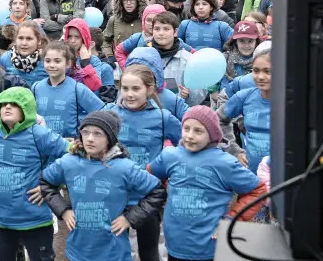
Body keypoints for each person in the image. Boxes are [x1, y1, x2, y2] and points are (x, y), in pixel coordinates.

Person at [40, 110, 167, 261]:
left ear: (110, 139)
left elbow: (157, 191)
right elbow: (45, 182)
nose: (90, 139)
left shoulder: (124, 167)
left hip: (114, 252)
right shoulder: (68, 162)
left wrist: (130, 218)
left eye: (98, 134)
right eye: (85, 132)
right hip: (78, 251)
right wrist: (64, 210)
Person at [149, 106, 267, 261]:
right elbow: (151, 175)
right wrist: (162, 195)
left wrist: (232, 219)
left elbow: (258, 190)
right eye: (186, 129)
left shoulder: (225, 163)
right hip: (175, 243)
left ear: (212, 135)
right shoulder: (170, 156)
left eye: (198, 131)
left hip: (209, 246)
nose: (190, 136)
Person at [0, 87, 69, 260]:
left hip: (34, 217)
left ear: (26, 109)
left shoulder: (38, 133)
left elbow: (69, 154)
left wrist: (50, 184)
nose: (7, 107)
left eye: (14, 104)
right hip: (1, 218)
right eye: (4, 104)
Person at [104, 64, 182, 261]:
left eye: (136, 89)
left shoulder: (163, 118)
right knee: (115, 251)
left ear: (149, 89)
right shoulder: (110, 113)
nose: (130, 94)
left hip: (147, 196)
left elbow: (186, 144)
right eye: (125, 88)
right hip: (114, 193)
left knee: (149, 252)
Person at [32, 41, 104, 138]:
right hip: (42, 145)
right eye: (48, 61)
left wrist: (84, 134)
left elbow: (101, 111)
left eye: (57, 61)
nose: (52, 65)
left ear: (68, 63)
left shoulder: (77, 88)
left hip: (69, 147)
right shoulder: (36, 87)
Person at [219, 43, 272, 174]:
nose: (260, 76)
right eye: (256, 70)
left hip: (282, 180)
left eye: (268, 71)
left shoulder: (292, 103)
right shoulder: (244, 97)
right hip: (251, 179)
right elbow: (217, 121)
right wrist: (234, 151)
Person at [101, 0, 148, 67]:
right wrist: (109, 56)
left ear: (138, 1)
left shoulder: (145, 20)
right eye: (125, 0)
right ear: (120, 2)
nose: (128, 3)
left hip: (141, 64)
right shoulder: (114, 20)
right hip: (119, 63)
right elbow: (105, 40)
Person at [0, 21, 48, 85]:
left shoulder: (47, 60)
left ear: (39, 41)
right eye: (20, 38)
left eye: (29, 39)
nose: (24, 43)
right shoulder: (5, 58)